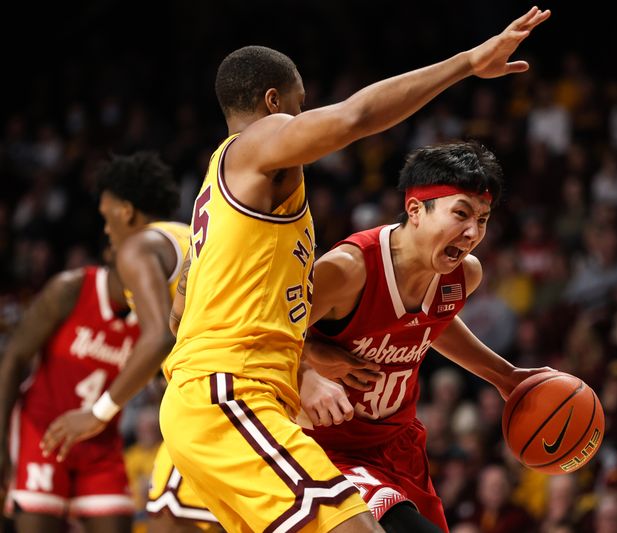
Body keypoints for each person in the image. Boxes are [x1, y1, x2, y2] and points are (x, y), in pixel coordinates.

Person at [155, 6, 552, 533]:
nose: (305, 120)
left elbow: (179, 312)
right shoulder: (255, 148)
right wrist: (466, 63)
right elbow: (354, 119)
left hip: (236, 396)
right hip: (231, 392)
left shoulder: (233, 201)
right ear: (275, 105)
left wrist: (299, 362)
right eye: (301, 108)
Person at [299, 141, 550, 531]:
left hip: (399, 446)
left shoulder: (463, 275)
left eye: (482, 220)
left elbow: (434, 323)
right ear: (416, 209)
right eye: (461, 214)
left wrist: (506, 376)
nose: (472, 233)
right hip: (325, 448)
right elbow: (263, 331)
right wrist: (306, 373)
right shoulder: (348, 270)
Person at [38, 152, 215, 531]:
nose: (105, 230)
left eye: (106, 217)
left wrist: (96, 414)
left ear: (127, 211)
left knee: (167, 520)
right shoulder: (186, 235)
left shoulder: (137, 248)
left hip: (207, 401)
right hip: (231, 388)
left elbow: (158, 338)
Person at [0, 261, 138, 533]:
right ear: (112, 252)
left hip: (101, 442)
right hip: (44, 433)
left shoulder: (153, 314)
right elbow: (14, 358)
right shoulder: (70, 288)